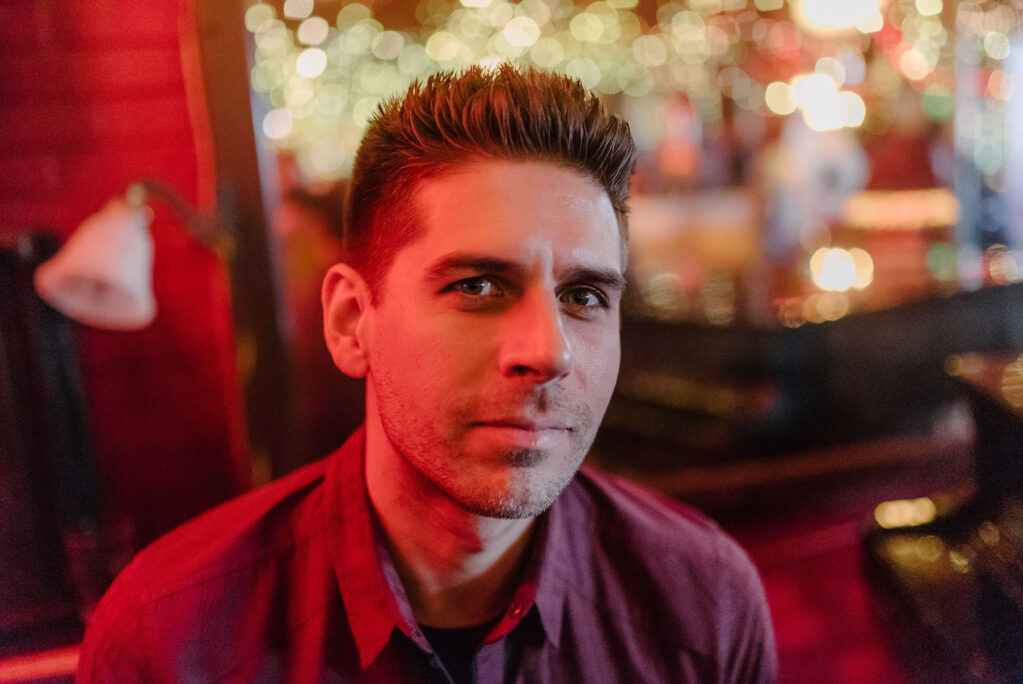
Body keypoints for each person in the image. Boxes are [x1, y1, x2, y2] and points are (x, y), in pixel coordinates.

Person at [76, 65, 776, 683]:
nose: (549, 351)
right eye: (477, 286)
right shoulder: (171, 641)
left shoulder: (700, 604)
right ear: (353, 320)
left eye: (584, 296)